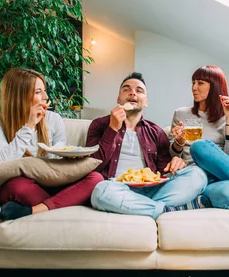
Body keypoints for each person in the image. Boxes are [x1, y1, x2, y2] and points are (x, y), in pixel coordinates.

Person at [0, 67, 104, 221]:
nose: (46, 96)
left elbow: (59, 154)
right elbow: (3, 161)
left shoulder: (53, 119)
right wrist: (29, 125)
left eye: (44, 90)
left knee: (96, 178)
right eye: (38, 92)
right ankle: (63, 202)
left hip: (52, 181)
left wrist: (72, 158)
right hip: (24, 183)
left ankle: (32, 210)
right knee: (16, 187)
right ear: (20, 95)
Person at [87, 72, 208, 219]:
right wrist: (112, 129)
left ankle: (141, 207)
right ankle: (165, 210)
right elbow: (93, 165)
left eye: (139, 91)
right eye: (126, 89)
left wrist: (176, 163)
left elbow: (164, 171)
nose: (132, 93)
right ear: (118, 98)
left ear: (146, 102)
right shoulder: (99, 125)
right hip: (116, 188)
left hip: (152, 189)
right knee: (100, 191)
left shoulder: (156, 132)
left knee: (198, 174)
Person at [170, 66, 229, 216]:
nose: (194, 87)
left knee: (199, 145)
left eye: (200, 83)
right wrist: (179, 142)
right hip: (199, 177)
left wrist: (228, 119)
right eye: (193, 82)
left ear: (214, 86)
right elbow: (172, 154)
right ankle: (202, 199)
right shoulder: (181, 114)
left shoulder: (228, 117)